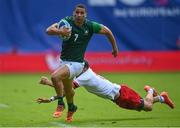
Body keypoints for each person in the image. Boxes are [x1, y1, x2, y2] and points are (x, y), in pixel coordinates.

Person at [46, 3, 118, 121]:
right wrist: (61, 32)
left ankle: (60, 104)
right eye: (77, 12)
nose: (79, 15)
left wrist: (114, 48)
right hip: (64, 62)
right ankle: (72, 107)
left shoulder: (90, 26)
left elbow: (107, 31)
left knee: (55, 77)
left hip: (77, 64)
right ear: (73, 13)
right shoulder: (66, 22)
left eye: (82, 13)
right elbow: (49, 30)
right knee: (69, 91)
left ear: (85, 15)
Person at [37, 61, 175, 122]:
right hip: (117, 97)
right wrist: (50, 99)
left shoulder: (85, 76)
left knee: (148, 107)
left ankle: (150, 90)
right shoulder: (83, 75)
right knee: (143, 107)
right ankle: (162, 98)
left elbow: (68, 89)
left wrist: (48, 84)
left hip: (122, 94)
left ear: (83, 68)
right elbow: (67, 91)